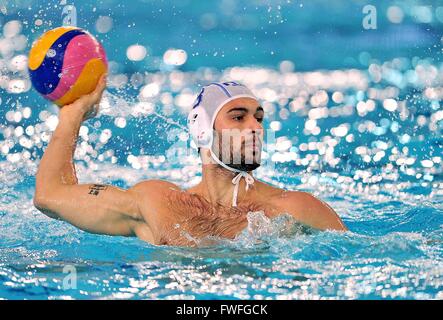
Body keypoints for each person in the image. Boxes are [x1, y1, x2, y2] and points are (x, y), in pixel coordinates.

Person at [33, 75, 347, 247]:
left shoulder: (297, 209)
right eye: (238, 117)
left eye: (259, 118)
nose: (255, 127)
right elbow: (49, 196)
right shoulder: (158, 202)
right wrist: (73, 114)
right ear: (201, 132)